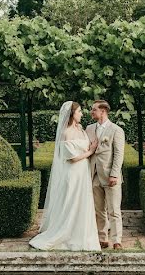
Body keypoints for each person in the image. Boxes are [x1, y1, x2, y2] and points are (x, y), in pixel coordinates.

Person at [29, 101, 101, 251]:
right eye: (79, 111)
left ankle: (82, 232)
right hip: (73, 172)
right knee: (71, 202)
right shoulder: (65, 133)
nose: (82, 114)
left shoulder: (81, 129)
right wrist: (91, 151)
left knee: (82, 201)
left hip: (83, 172)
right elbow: (72, 158)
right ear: (72, 114)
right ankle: (66, 232)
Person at [85, 100, 125, 250]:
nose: (91, 112)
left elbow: (119, 154)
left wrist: (114, 174)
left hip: (110, 176)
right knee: (98, 209)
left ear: (103, 111)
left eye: (94, 109)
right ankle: (102, 238)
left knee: (114, 210)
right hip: (94, 175)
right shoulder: (88, 129)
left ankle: (116, 240)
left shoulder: (116, 130)